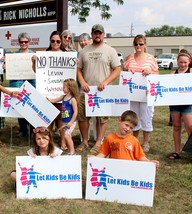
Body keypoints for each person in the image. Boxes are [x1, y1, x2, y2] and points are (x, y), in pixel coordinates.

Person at [77, 24, 121, 153]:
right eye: (95, 33)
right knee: (83, 117)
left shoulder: (110, 50)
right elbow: (78, 69)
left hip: (103, 91)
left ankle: (98, 143)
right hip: (86, 90)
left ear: (103, 34)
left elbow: (117, 69)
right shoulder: (84, 51)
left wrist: (106, 82)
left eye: (99, 33)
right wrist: (83, 82)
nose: (97, 35)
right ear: (92, 34)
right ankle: (84, 141)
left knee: (102, 118)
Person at [88, 110, 159, 168]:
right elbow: (103, 153)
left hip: (129, 171)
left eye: (131, 128)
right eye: (126, 125)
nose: (128, 129)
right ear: (120, 120)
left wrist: (150, 163)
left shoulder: (134, 140)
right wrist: (94, 159)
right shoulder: (109, 138)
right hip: (114, 169)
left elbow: (140, 157)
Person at [124, 34, 159, 152]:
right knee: (134, 116)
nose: (138, 46)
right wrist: (128, 71)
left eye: (141, 44)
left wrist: (150, 72)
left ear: (145, 45)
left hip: (146, 93)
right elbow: (124, 73)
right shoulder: (130, 58)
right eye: (136, 44)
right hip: (133, 93)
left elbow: (158, 74)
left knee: (146, 116)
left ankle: (146, 142)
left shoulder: (150, 58)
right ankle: (135, 140)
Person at [32, 31, 66, 149]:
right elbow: (37, 71)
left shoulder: (66, 55)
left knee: (62, 119)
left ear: (61, 42)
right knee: (48, 118)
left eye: (58, 41)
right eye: (53, 41)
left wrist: (74, 64)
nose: (55, 43)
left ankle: (63, 141)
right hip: (47, 93)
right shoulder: (44, 55)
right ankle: (48, 141)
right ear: (50, 42)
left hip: (61, 94)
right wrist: (34, 61)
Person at [10, 32, 36, 138]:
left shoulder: (33, 55)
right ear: (18, 42)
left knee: (30, 107)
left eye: (26, 41)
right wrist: (6, 63)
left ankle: (31, 129)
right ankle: (22, 129)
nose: (23, 43)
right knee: (20, 106)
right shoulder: (14, 56)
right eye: (21, 42)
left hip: (31, 83)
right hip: (18, 83)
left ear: (29, 42)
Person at [168, 50, 192, 159]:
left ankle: (190, 151)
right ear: (177, 61)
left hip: (188, 104)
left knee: (190, 127)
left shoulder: (191, 72)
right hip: (175, 104)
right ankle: (177, 152)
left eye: (185, 62)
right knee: (176, 127)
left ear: (189, 62)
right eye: (181, 62)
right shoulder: (173, 74)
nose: (183, 64)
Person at [48, 79, 78, 155]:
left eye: (64, 87)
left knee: (67, 135)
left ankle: (72, 152)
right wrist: (48, 99)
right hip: (64, 121)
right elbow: (54, 100)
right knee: (67, 136)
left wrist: (71, 122)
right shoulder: (63, 97)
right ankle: (70, 150)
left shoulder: (72, 99)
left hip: (70, 121)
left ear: (70, 88)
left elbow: (75, 112)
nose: (63, 88)